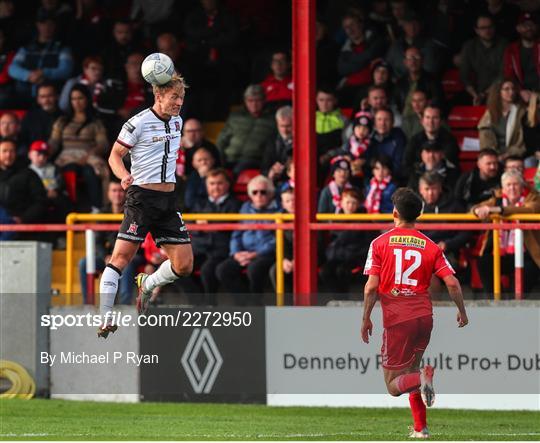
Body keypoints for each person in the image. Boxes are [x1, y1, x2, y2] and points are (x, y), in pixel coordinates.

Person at [361, 187, 468, 439]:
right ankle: (421, 428)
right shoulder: (430, 246)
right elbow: (452, 283)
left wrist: (366, 318)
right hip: (424, 318)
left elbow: (371, 287)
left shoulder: (379, 243)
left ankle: (421, 378)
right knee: (411, 371)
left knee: (392, 386)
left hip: (398, 320)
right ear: (419, 214)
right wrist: (461, 311)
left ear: (394, 212)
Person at [97, 74, 193, 338]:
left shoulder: (178, 121)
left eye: (181, 98)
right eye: (174, 97)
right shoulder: (137, 123)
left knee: (184, 266)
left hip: (168, 201)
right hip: (141, 199)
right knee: (120, 259)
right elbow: (114, 155)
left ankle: (148, 283)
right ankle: (105, 316)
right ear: (158, 95)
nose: (179, 103)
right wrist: (122, 175)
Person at [472, 169, 540, 296]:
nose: (512, 188)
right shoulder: (497, 199)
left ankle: (517, 301)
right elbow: (476, 208)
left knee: (530, 270)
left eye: (515, 184)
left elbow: (530, 210)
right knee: (484, 262)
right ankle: (496, 301)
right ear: (503, 188)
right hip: (500, 252)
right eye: (508, 185)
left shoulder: (534, 197)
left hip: (528, 253)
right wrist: (477, 211)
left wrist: (500, 210)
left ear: (522, 186)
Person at [215, 175, 277, 305]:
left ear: (271, 193)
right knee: (223, 269)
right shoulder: (245, 208)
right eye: (255, 192)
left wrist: (256, 254)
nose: (259, 195)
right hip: (244, 253)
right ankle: (243, 305)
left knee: (254, 269)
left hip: (266, 254)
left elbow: (276, 240)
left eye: (263, 192)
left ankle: (256, 304)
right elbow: (237, 234)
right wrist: (236, 253)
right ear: (250, 194)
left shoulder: (279, 209)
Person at [78, 180, 143, 304]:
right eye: (114, 190)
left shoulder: (133, 211)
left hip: (130, 255)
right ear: (108, 193)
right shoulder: (103, 213)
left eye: (120, 191)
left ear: (126, 193)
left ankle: (124, 307)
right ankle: (88, 304)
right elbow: (97, 241)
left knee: (126, 264)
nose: (117, 194)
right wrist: (105, 257)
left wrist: (120, 257)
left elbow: (138, 240)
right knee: (84, 263)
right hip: (108, 256)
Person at [49, 83, 109, 209]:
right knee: (68, 169)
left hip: (88, 157)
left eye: (80, 98)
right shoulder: (62, 121)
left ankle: (97, 208)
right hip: (66, 158)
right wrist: (45, 152)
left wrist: (88, 156)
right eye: (73, 99)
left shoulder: (95, 123)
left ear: (87, 99)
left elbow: (103, 144)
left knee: (89, 171)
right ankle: (72, 208)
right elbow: (54, 142)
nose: (77, 102)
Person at [190, 168, 241, 305]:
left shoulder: (235, 203)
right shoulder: (199, 204)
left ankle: (210, 306)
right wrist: (199, 226)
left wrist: (208, 224)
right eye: (212, 184)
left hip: (220, 250)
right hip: (199, 248)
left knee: (207, 270)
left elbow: (230, 223)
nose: (215, 187)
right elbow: (188, 223)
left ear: (227, 185)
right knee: (179, 269)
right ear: (206, 185)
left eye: (219, 183)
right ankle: (198, 303)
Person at [8, 10, 73, 106]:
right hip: (25, 94)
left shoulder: (62, 48)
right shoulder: (26, 48)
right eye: (43, 24)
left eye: (50, 24)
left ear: (55, 26)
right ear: (38, 25)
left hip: (51, 96)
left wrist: (43, 73)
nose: (47, 27)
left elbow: (66, 70)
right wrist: (28, 75)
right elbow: (12, 68)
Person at [320, 188, 371, 296]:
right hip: (336, 257)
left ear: (358, 205)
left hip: (356, 258)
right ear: (341, 203)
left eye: (353, 203)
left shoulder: (365, 219)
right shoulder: (334, 219)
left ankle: (344, 299)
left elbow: (367, 244)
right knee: (325, 271)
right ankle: (336, 299)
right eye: (347, 202)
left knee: (341, 271)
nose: (350, 206)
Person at [216, 84, 275, 173]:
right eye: (250, 101)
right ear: (245, 101)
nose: (254, 104)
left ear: (264, 100)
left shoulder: (273, 120)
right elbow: (221, 141)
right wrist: (218, 159)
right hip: (228, 158)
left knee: (236, 171)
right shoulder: (235, 117)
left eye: (257, 100)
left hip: (253, 160)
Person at [336, 10, 386, 107]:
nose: (350, 30)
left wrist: (351, 61)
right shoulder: (345, 48)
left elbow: (370, 55)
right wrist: (364, 61)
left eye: (352, 25)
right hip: (349, 89)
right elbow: (342, 69)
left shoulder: (375, 40)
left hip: (370, 87)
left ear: (361, 24)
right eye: (346, 27)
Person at [0, 139, 47, 238]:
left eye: (11, 151)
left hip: (20, 225)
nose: (8, 155)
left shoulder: (28, 174)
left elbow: (41, 201)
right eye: (4, 151)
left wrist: (23, 218)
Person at [459, 14, 507, 105]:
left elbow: (503, 75)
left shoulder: (504, 45)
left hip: (498, 90)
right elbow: (464, 75)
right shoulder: (469, 46)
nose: (487, 30)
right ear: (476, 30)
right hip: (474, 92)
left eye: (490, 27)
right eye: (483, 28)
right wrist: (474, 94)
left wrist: (484, 94)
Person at [478, 78, 526, 159]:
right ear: (498, 92)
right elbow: (485, 136)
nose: (511, 92)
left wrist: (508, 154)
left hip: (516, 154)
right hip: (496, 154)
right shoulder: (491, 113)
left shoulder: (521, 112)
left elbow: (523, 141)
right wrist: (494, 156)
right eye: (506, 89)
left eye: (513, 89)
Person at [385, 11, 441, 80]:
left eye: (415, 24)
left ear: (420, 26)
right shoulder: (396, 46)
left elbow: (430, 69)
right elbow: (388, 66)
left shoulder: (429, 46)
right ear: (403, 26)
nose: (412, 27)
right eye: (409, 24)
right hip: (399, 86)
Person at [404, 105, 459, 173]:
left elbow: (451, 166)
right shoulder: (414, 140)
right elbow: (406, 165)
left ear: (441, 121)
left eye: (435, 118)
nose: (431, 122)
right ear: (422, 121)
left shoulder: (450, 140)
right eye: (427, 117)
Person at [394, 47, 445, 117]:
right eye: (409, 58)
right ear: (405, 62)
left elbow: (438, 102)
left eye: (417, 58)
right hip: (403, 119)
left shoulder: (432, 80)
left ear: (422, 60)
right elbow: (396, 104)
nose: (413, 61)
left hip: (426, 118)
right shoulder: (400, 82)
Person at [503, 13, 540, 104]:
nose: (528, 28)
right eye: (525, 25)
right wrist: (520, 91)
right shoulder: (511, 50)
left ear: (536, 27)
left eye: (531, 25)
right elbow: (509, 75)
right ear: (518, 28)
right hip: (521, 94)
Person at [365, 108, 406, 181]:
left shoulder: (399, 138)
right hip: (372, 180)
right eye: (379, 120)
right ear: (374, 122)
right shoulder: (369, 139)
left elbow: (399, 165)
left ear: (392, 122)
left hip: (393, 180)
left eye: (386, 120)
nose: (382, 123)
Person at [19, 82, 62, 148]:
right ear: (38, 99)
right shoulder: (30, 116)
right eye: (42, 97)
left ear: (57, 97)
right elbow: (23, 139)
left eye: (50, 96)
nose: (46, 100)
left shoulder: (64, 116)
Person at [269, 187, 294, 295]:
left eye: (294, 200)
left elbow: (318, 244)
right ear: (283, 204)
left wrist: (297, 261)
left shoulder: (311, 216)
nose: (292, 204)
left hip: (311, 258)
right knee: (275, 271)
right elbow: (280, 243)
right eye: (288, 201)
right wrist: (284, 260)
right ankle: (285, 308)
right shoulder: (279, 219)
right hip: (288, 258)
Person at [262, 105, 293, 183]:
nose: (284, 130)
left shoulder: (302, 141)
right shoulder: (271, 140)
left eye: (288, 126)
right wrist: (271, 172)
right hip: (273, 182)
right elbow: (264, 167)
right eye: (281, 126)